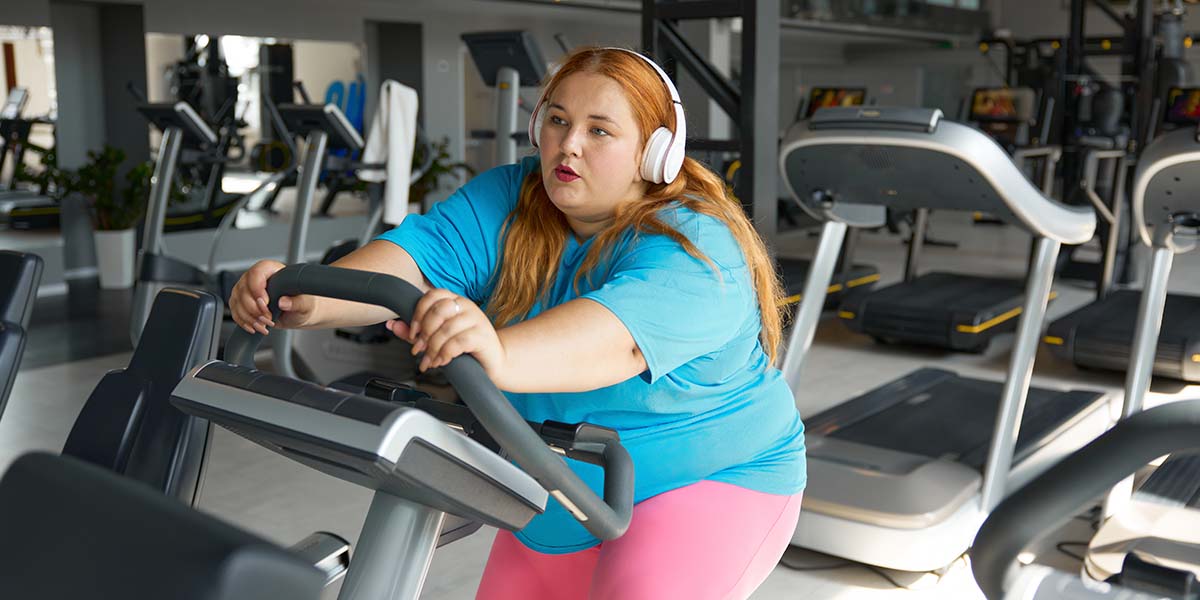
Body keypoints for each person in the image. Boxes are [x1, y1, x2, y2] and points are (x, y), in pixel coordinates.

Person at [230, 46, 806, 600]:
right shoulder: (514, 196)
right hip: (563, 487)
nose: (568, 145)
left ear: (653, 155)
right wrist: (308, 299)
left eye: (599, 130)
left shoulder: (699, 245)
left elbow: (618, 342)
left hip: (710, 478)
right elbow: (420, 258)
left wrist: (496, 352)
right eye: (557, 120)